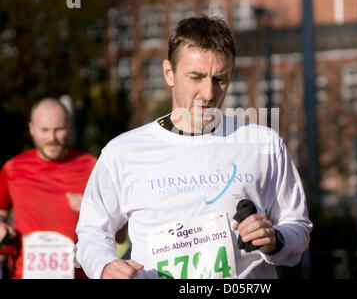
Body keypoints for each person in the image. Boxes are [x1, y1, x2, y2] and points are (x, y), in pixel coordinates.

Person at [75, 16, 313, 279]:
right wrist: (105, 267)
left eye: (219, 79)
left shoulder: (263, 144)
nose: (209, 93)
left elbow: (298, 226)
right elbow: (92, 233)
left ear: (232, 75)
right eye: (196, 77)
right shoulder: (123, 153)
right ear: (169, 73)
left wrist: (276, 239)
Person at [0, 98, 97, 279]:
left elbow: (120, 234)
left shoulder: (93, 168)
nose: (52, 138)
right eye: (44, 130)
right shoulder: (12, 169)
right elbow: (1, 217)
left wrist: (91, 207)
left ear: (69, 126)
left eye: (58, 129)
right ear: (31, 129)